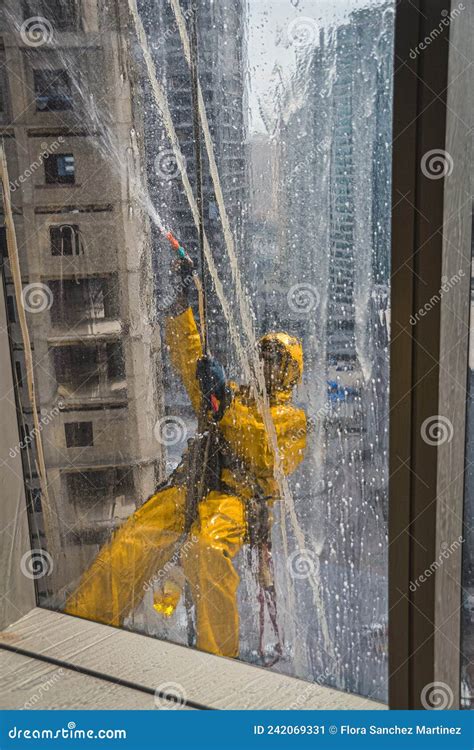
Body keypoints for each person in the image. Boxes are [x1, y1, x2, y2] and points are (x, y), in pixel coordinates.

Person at [65, 256, 307, 659]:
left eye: (274, 361)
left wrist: (224, 405)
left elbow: (263, 453)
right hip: (192, 483)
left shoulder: (292, 419)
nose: (264, 366)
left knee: (208, 551)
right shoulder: (230, 394)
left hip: (235, 500)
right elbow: (192, 362)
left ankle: (217, 660)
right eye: (262, 357)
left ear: (288, 372)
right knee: (134, 539)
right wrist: (182, 308)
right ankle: (87, 623)